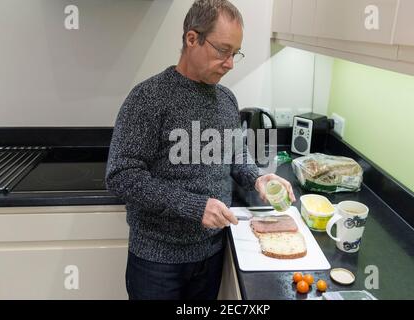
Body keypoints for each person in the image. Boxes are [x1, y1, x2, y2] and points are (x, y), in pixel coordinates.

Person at [105, 0, 296, 300]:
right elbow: (121, 176)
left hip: (211, 254)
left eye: (235, 53)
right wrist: (193, 206)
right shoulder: (148, 97)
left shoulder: (226, 100)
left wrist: (258, 179)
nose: (230, 63)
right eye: (223, 51)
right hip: (158, 260)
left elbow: (236, 154)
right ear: (192, 39)